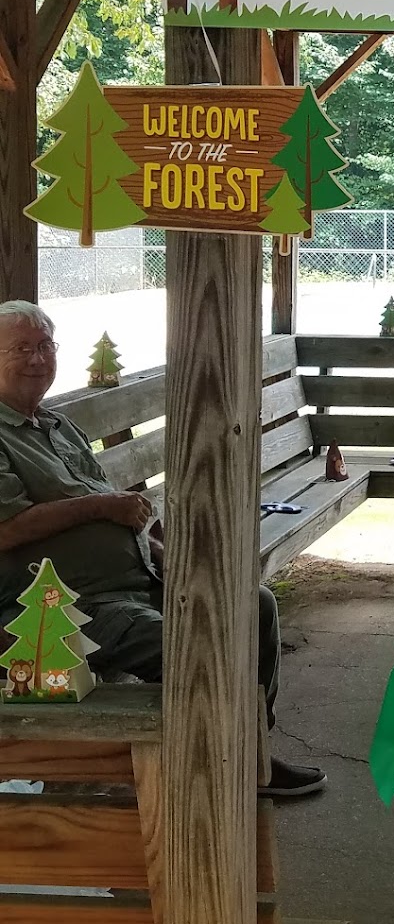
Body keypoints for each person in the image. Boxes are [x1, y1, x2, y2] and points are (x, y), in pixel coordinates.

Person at [0, 302, 324, 798]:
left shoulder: (59, 427)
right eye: (21, 348)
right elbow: (7, 529)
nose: (38, 359)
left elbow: (114, 511)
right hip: (63, 607)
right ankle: (207, 774)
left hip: (136, 581)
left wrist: (159, 551)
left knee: (251, 605)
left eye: (46, 346)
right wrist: (101, 507)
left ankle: (247, 752)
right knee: (196, 643)